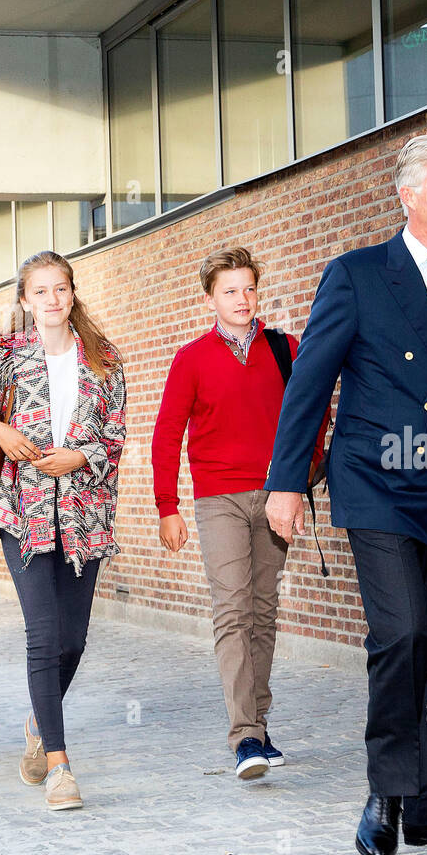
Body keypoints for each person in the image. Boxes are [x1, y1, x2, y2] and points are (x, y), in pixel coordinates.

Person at [264, 134, 427, 855]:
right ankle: (385, 792)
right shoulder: (356, 276)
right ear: (408, 195)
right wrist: (286, 481)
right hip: (377, 483)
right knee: (403, 634)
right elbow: (310, 385)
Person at [0, 251, 127, 811]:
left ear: (72, 294)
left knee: (73, 641)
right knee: (44, 635)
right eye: (41, 291)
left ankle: (37, 719)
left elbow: (116, 437)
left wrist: (79, 457)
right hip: (21, 514)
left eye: (62, 288)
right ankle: (59, 765)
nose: (53, 299)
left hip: (85, 516)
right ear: (25, 301)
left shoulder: (104, 359)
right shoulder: (7, 355)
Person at [151, 246, 326, 780]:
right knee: (233, 611)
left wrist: (301, 478)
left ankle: (260, 722)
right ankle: (244, 737)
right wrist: (167, 508)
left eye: (248, 288)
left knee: (264, 612)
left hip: (275, 497)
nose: (242, 299)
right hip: (218, 499)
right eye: (230, 290)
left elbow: (312, 415)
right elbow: (166, 434)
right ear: (210, 298)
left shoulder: (286, 350)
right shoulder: (191, 359)